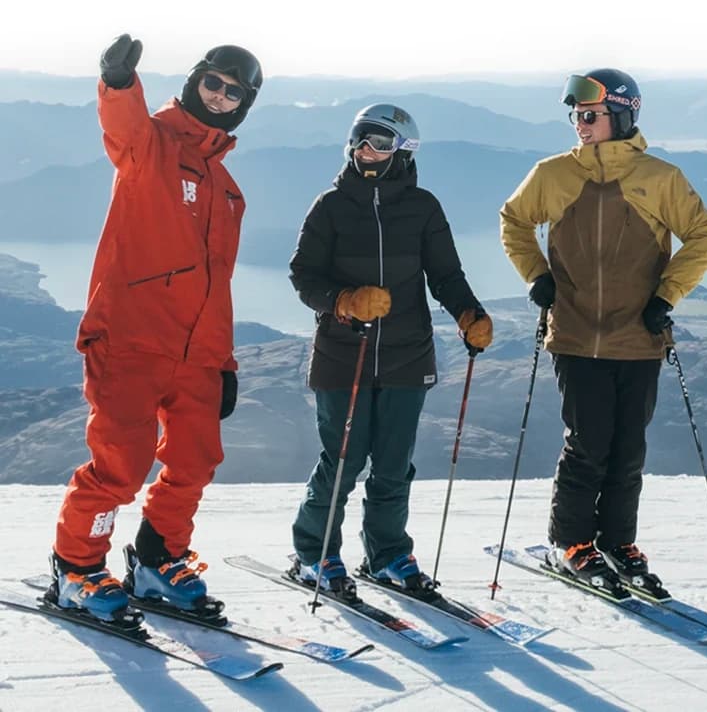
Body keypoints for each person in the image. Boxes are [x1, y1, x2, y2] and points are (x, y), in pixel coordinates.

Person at [48, 34, 263, 622]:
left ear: (243, 104)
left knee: (195, 461)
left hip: (197, 352)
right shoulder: (154, 143)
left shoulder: (226, 188)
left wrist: (224, 364)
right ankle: (78, 568)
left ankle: (156, 560)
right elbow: (124, 130)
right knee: (121, 463)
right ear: (196, 80)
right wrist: (118, 83)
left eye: (232, 92)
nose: (218, 95)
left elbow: (216, 286)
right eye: (212, 82)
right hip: (131, 338)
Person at [500, 68, 707, 583]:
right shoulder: (553, 174)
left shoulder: (659, 178)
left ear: (622, 115)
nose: (580, 124)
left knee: (628, 449)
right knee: (588, 442)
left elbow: (703, 236)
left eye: (591, 115)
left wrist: (667, 296)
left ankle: (618, 541)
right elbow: (514, 220)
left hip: (638, 336)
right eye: (577, 115)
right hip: (575, 334)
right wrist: (538, 276)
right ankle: (572, 542)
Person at [289, 103, 493, 594]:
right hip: (343, 353)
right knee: (342, 459)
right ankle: (314, 555)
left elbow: (445, 275)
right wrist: (343, 302)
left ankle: (388, 555)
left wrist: (469, 313)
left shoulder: (422, 207)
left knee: (394, 463)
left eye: (379, 143)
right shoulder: (330, 206)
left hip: (407, 354)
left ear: (402, 150)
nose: (366, 151)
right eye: (360, 140)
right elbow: (304, 276)